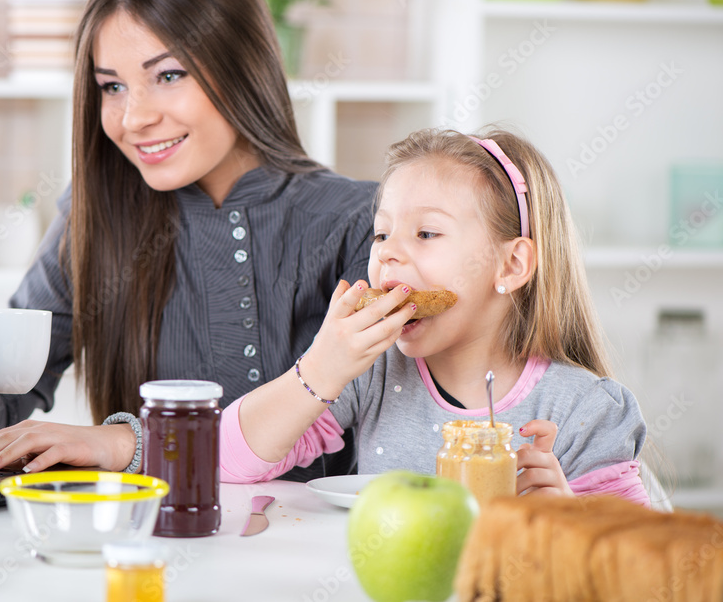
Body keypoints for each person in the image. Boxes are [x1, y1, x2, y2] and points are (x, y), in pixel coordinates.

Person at [0, 0, 374, 478]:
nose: (133, 117)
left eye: (167, 76)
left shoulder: (362, 224)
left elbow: (336, 426)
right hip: (148, 548)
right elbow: (7, 404)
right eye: (112, 87)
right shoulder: (95, 214)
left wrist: (123, 442)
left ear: (243, 64)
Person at [219, 127, 651, 505]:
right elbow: (226, 462)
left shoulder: (584, 410)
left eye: (426, 233)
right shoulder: (373, 374)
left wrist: (566, 521)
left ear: (511, 265)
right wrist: (319, 369)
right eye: (382, 233)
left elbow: (639, 570)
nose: (387, 252)